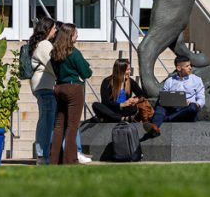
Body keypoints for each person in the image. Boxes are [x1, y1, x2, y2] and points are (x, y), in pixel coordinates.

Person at [49, 22, 92, 165]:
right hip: (73, 88)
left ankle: (54, 159)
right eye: (75, 33)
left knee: (59, 125)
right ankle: (70, 159)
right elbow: (86, 73)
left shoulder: (54, 53)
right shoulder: (74, 52)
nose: (77, 35)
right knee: (72, 126)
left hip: (59, 87)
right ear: (69, 36)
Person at [144, 55, 204, 136]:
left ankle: (166, 119)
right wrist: (173, 101)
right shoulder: (169, 81)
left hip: (187, 110)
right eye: (187, 66)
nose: (190, 68)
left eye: (190, 65)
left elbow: (201, 98)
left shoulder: (197, 80)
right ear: (179, 68)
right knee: (160, 103)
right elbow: (164, 96)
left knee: (193, 108)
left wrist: (196, 103)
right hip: (173, 108)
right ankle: (154, 126)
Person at [29, 16, 58, 165]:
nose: (55, 30)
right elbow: (51, 65)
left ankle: (45, 154)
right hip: (45, 85)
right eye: (53, 28)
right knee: (46, 121)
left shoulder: (40, 44)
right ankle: (42, 155)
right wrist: (63, 76)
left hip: (43, 85)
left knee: (47, 120)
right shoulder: (45, 44)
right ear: (47, 29)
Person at [95, 59, 145, 123]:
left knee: (134, 108)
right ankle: (121, 119)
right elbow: (105, 101)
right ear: (120, 70)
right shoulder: (107, 81)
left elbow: (142, 94)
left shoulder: (130, 81)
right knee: (96, 105)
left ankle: (111, 118)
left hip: (124, 110)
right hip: (111, 109)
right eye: (127, 70)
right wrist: (121, 104)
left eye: (130, 69)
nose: (129, 72)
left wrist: (136, 100)